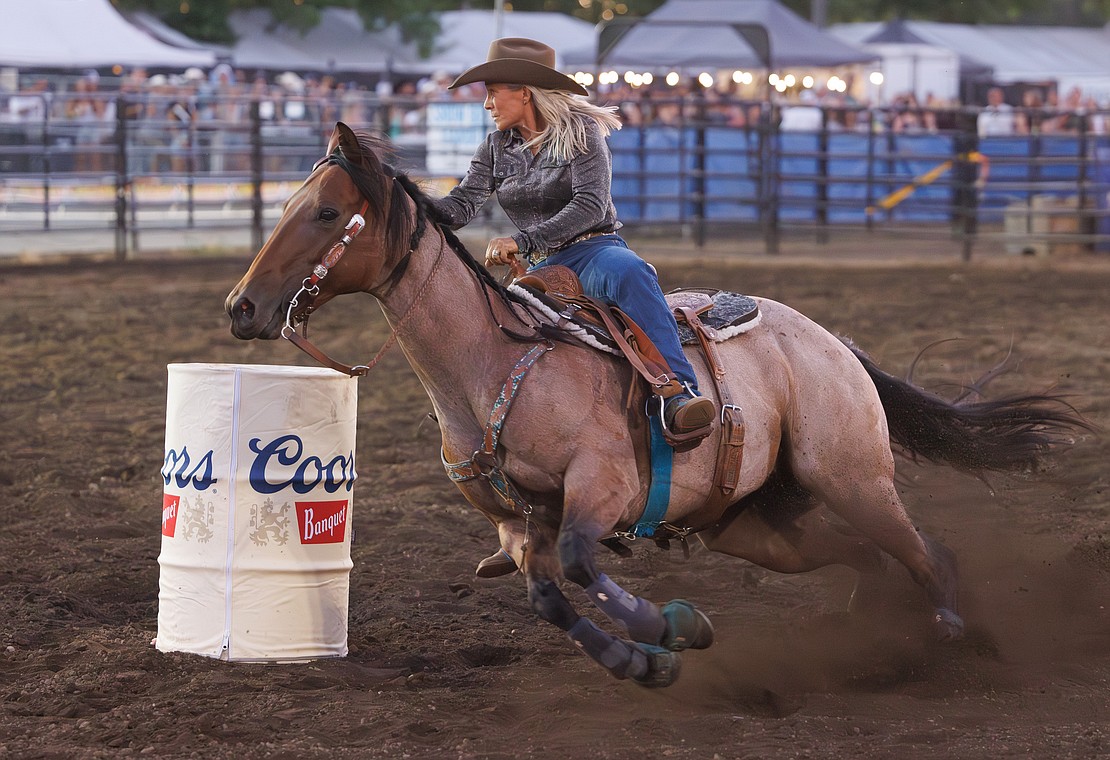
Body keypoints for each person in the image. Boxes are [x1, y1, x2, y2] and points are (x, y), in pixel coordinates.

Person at [427, 38, 717, 578]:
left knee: (632, 274)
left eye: (494, 92)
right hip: (537, 265)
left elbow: (589, 205)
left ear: (526, 92)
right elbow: (464, 203)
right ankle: (519, 499)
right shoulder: (497, 147)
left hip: (591, 250)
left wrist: (526, 239)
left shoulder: (582, 133)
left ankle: (679, 391)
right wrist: (410, 203)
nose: (487, 103)